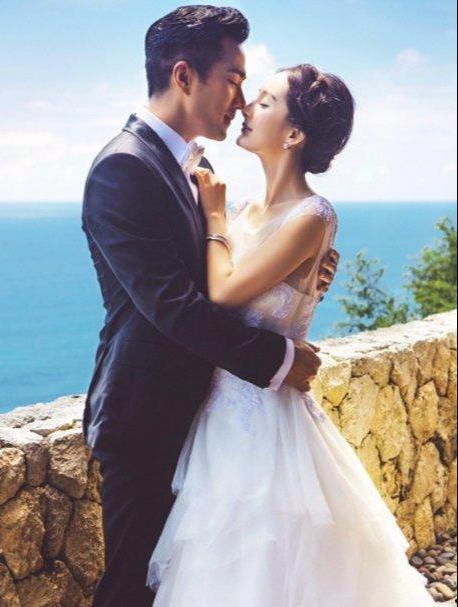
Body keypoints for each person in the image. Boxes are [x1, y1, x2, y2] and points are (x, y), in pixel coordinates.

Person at [146, 64, 436, 606]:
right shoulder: (242, 210)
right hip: (217, 419)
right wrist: (221, 218)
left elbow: (224, 292)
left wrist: (213, 220)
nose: (246, 107)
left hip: (270, 423)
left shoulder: (312, 215)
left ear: (294, 133)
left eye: (264, 101)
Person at [81, 6, 339, 606]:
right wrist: (279, 358)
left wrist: (300, 276)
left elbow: (223, 273)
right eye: (233, 79)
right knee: (132, 588)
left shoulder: (199, 167)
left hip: (207, 417)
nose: (241, 99)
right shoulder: (124, 166)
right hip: (146, 417)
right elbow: (173, 305)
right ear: (183, 75)